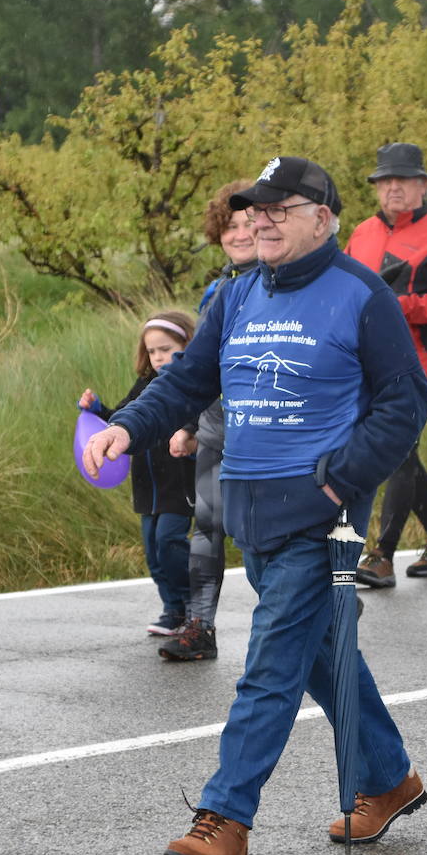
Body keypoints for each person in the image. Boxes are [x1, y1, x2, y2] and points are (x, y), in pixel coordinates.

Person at [82, 156, 427, 855]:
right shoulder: (238, 296)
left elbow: (404, 403)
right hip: (253, 510)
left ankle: (225, 818)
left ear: (323, 218)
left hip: (323, 519)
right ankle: (390, 777)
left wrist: (341, 478)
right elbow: (185, 383)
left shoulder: (362, 296)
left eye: (280, 207)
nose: (261, 218)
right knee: (321, 652)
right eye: (255, 208)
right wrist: (128, 425)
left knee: (270, 666)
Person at [346, 143, 427, 588]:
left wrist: (397, 306)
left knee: (398, 457)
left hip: (417, 365)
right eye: (385, 181)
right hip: (363, 364)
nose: (392, 188)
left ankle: (381, 555)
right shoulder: (360, 233)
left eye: (402, 180)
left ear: (423, 186)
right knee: (403, 455)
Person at [159, 181, 258, 661]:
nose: (239, 234)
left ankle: (323, 602)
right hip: (218, 425)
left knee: (268, 530)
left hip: (269, 429)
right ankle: (200, 628)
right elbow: (203, 370)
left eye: (247, 224)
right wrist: (191, 425)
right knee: (207, 524)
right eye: (229, 226)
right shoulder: (217, 290)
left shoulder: (286, 284)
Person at [78, 311, 197, 637]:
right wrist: (97, 409)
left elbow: (204, 417)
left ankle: (192, 608)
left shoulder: (193, 384)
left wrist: (188, 430)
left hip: (179, 484)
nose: (159, 357)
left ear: (188, 346)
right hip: (148, 486)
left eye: (167, 349)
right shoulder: (144, 384)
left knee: (169, 541)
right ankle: (171, 609)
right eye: (153, 351)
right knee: (153, 550)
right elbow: (122, 418)